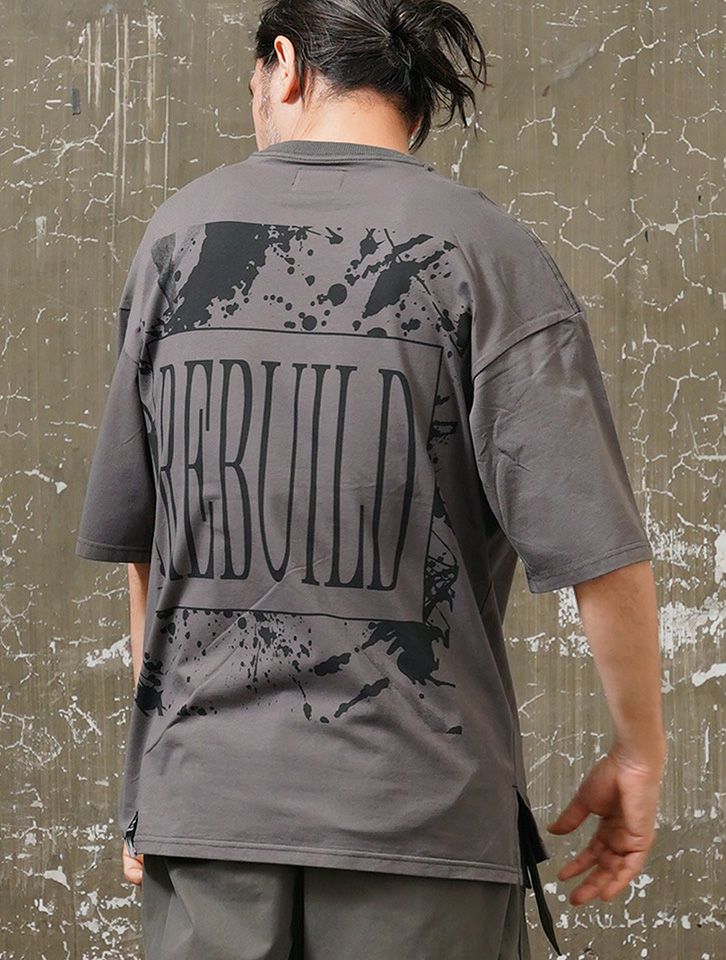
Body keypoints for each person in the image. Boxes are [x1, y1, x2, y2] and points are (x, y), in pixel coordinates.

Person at [74, 1, 666, 957]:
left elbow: (148, 549)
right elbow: (600, 553)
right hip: (421, 822)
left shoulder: (177, 241)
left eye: (255, 84)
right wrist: (638, 752)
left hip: (209, 813)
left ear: (286, 66)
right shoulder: (488, 250)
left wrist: (155, 780)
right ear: (415, 102)